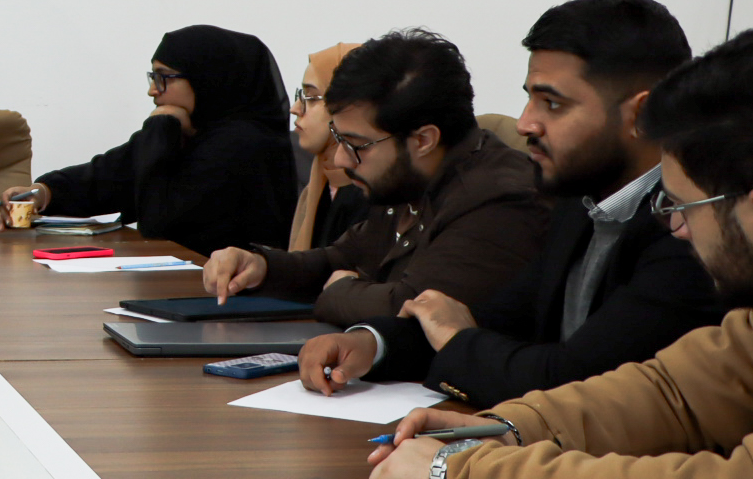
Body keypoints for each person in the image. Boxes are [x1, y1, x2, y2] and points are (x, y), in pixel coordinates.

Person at [368, 27, 753, 479]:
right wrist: (510, 429)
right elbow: (672, 394)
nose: (676, 227)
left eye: (684, 206)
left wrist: (457, 477)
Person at [301, 0, 723, 404]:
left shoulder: (692, 231)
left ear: (642, 115)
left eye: (552, 103)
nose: (525, 123)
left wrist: (458, 338)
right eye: (529, 97)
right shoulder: (579, 203)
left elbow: (571, 383)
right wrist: (373, 344)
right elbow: (494, 321)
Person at [202, 29, 550, 327]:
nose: (342, 159)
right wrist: (261, 267)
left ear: (423, 140)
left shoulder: (496, 200)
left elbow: (413, 310)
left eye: (357, 144)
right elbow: (339, 260)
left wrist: (339, 292)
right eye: (339, 139)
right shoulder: (409, 179)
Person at [0, 25, 296, 257]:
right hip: (184, 284)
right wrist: (42, 193)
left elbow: (159, 223)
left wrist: (161, 126)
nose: (153, 90)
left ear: (208, 79)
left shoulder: (243, 144)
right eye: (153, 77)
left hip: (233, 300)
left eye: (164, 77)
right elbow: (110, 176)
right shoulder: (192, 133)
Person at [287, 42, 368, 252]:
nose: (295, 108)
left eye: (311, 98)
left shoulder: (368, 192)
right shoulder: (322, 180)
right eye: (300, 96)